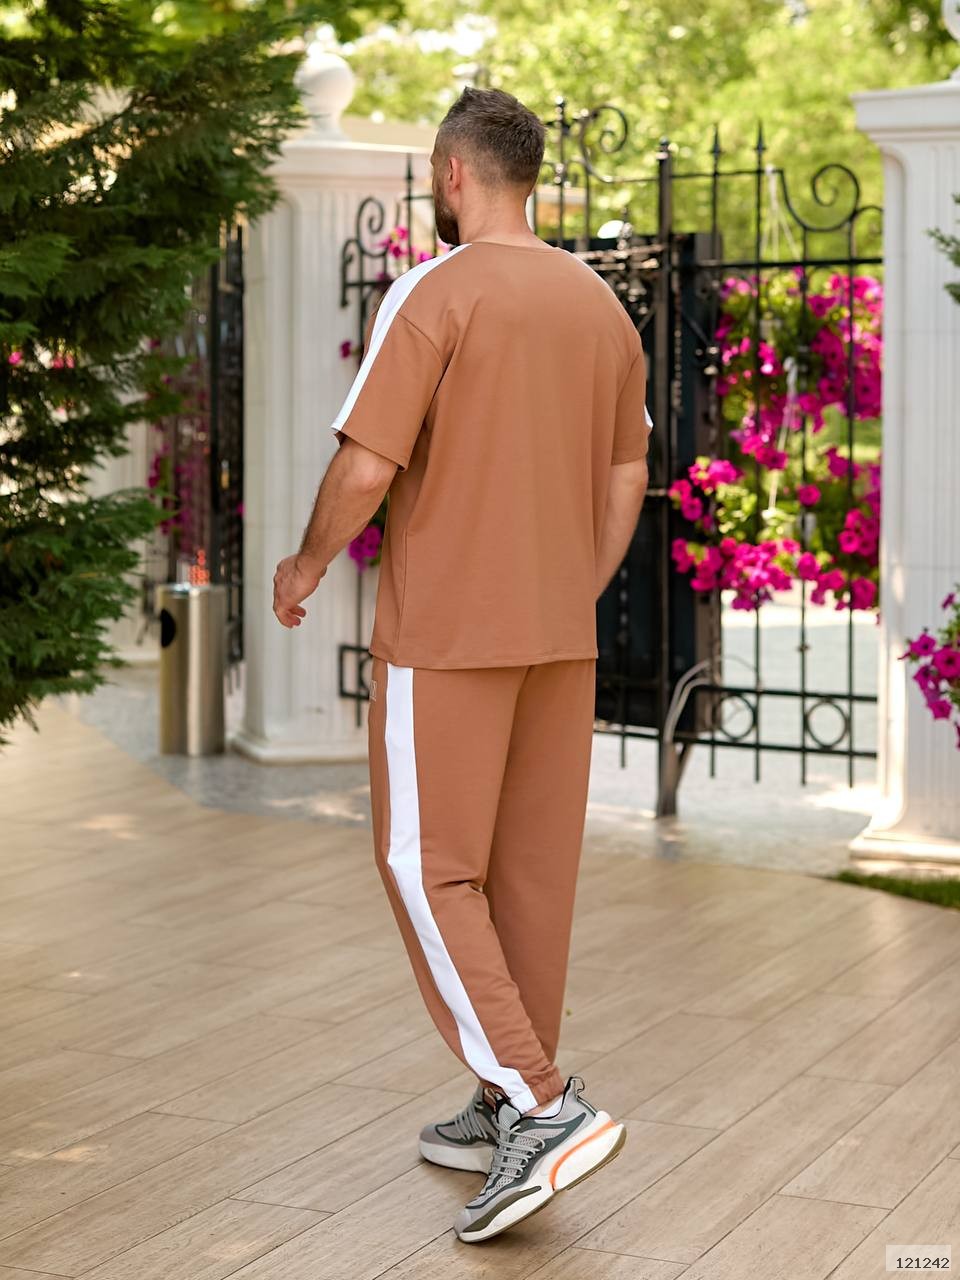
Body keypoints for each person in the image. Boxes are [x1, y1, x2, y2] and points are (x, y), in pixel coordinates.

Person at [273, 85, 651, 1244]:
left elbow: (367, 462)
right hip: (558, 635)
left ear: (450, 174)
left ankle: (541, 1103)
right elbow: (628, 473)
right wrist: (573, 583)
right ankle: (503, 1099)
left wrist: (303, 563)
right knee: (527, 879)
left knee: (423, 863)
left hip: (445, 635)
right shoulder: (601, 305)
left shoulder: (435, 291)